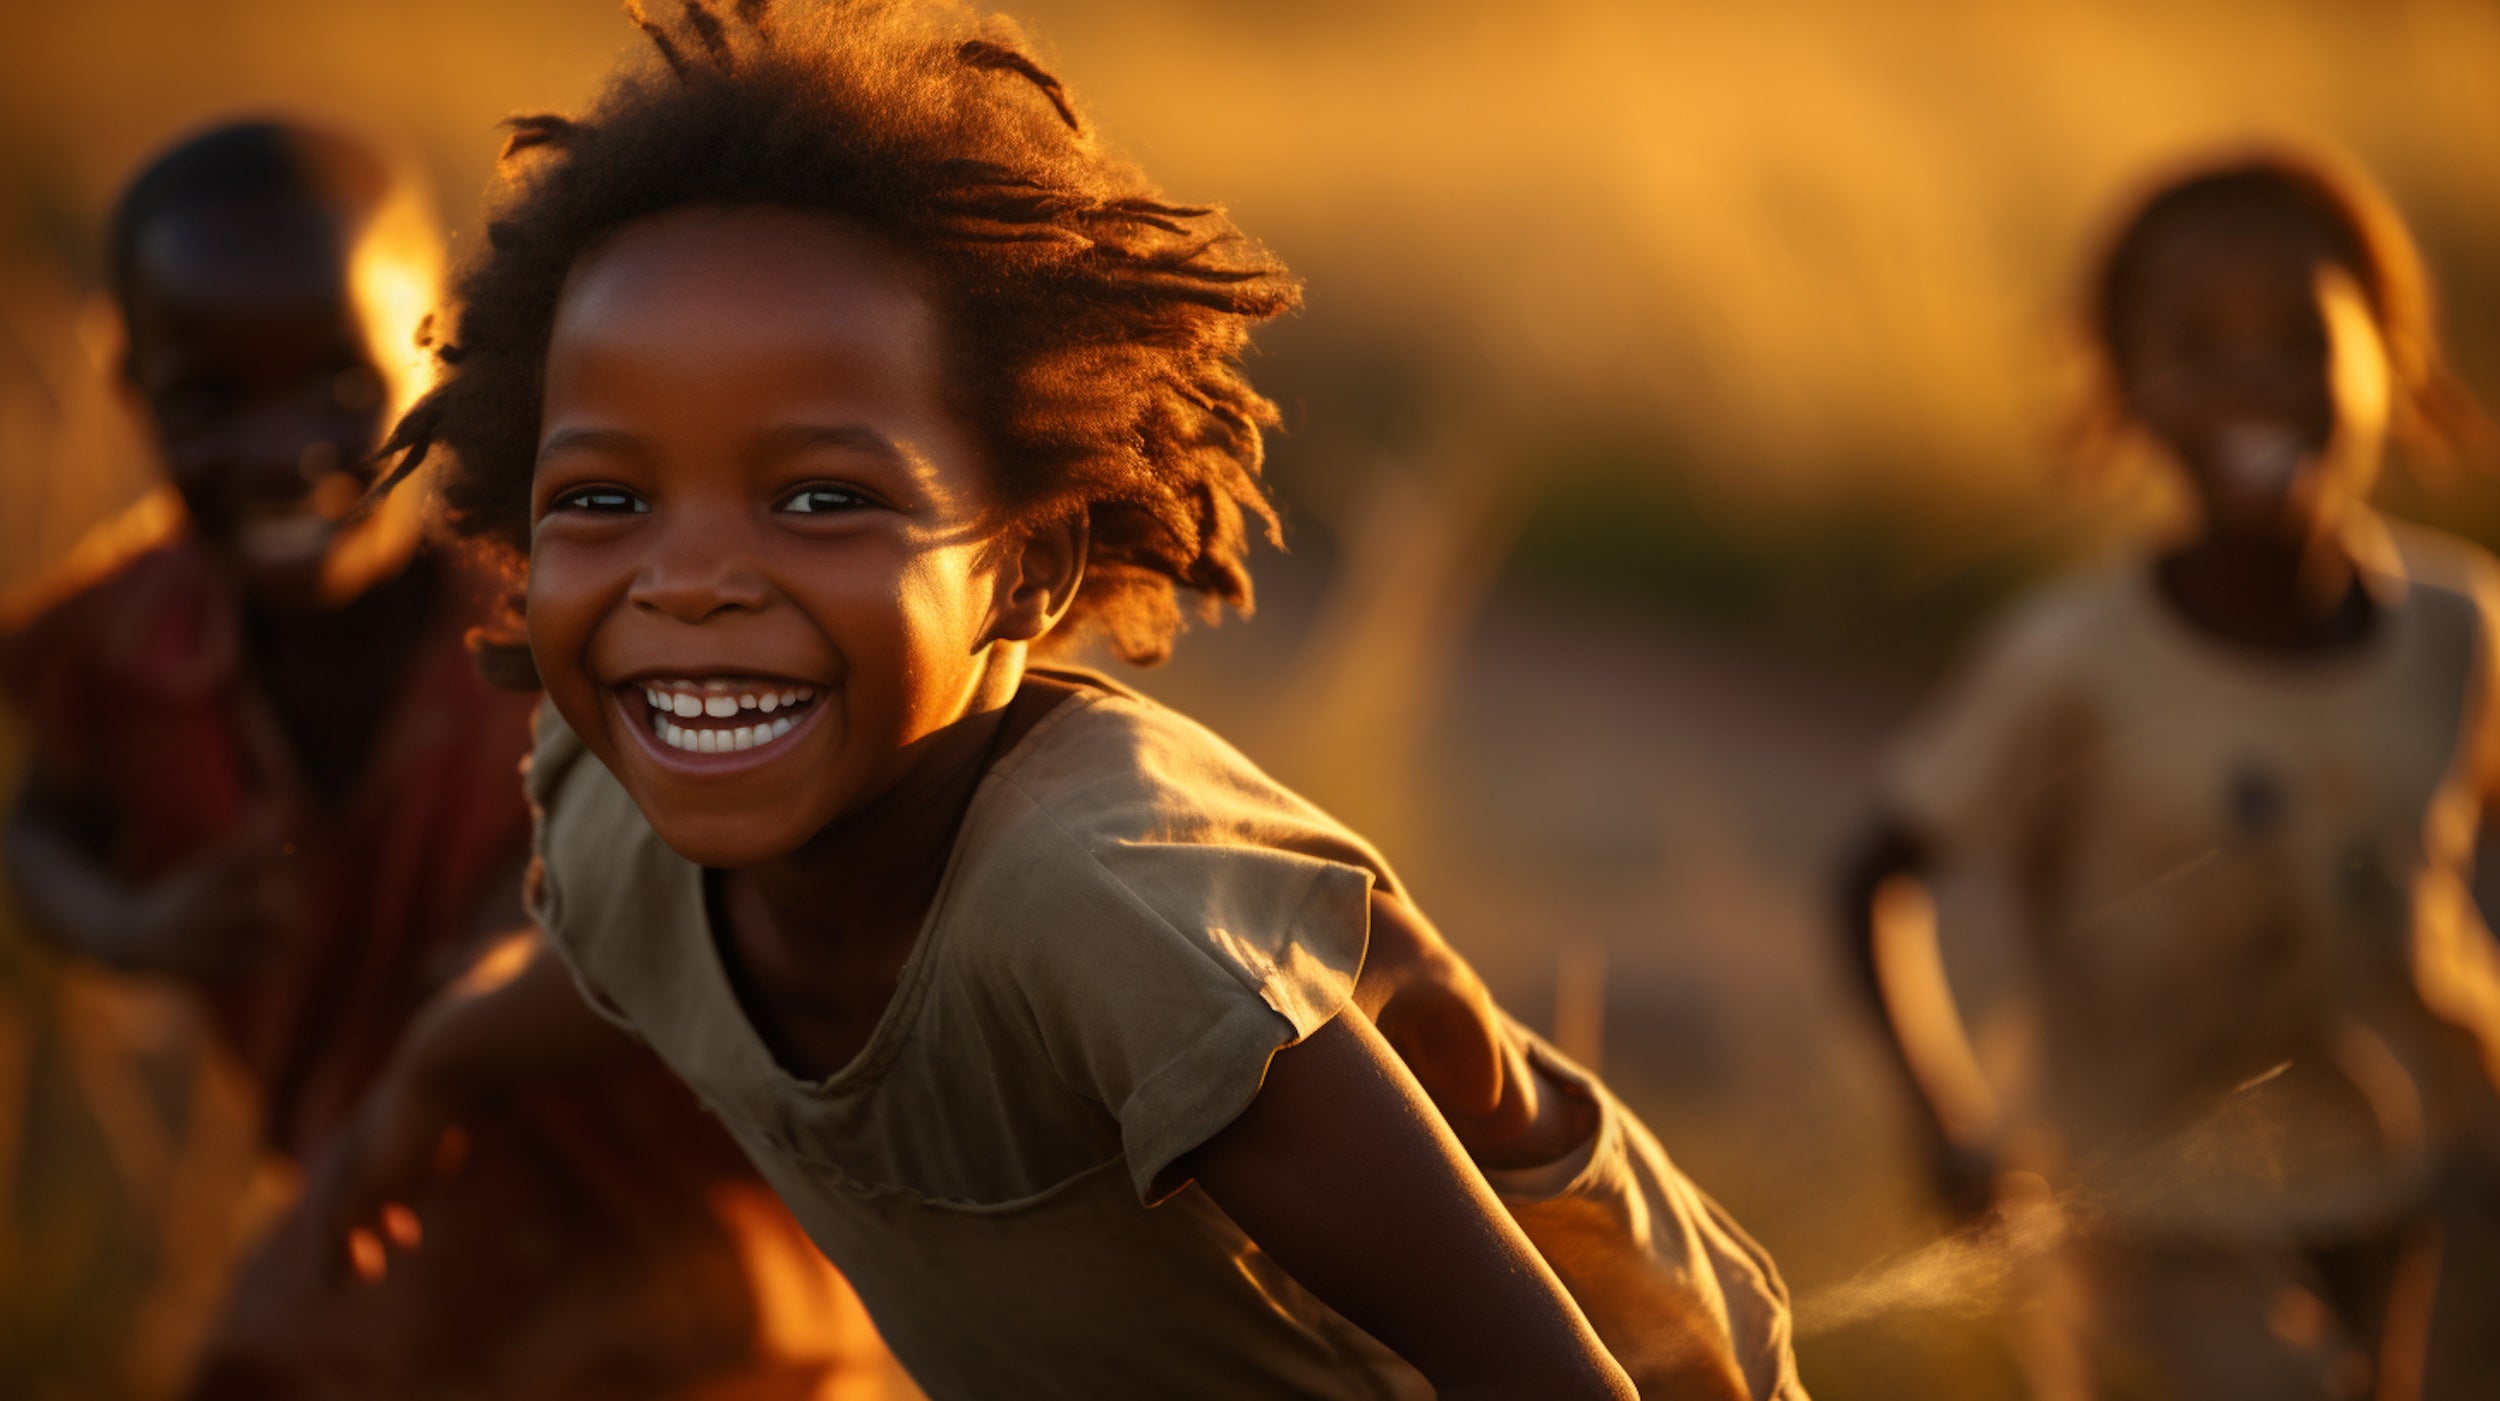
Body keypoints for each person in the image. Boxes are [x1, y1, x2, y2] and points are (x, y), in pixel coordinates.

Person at [320, 4, 1807, 1397]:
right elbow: (617, 973)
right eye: (606, 496)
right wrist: (427, 1082)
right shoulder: (612, 803)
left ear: (1027, 568)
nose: (689, 578)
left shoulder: (1101, 912)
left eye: (821, 496)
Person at [0, 119, 904, 1400]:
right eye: (211, 400)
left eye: (337, 387)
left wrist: (519, 940)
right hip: (381, 1218)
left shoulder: (560, 594)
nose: (278, 450)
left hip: (665, 1228)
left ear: (440, 366)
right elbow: (43, 831)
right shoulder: (122, 643)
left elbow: (715, 854)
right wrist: (137, 921)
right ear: (131, 389)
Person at [1836, 150, 2500, 1400]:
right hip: (2148, 1213)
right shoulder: (2070, 665)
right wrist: (1947, 1120)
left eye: (2297, 338)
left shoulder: (2457, 627)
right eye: (2194, 346)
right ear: (2125, 393)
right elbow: (1872, 878)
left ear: (2389, 361)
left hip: (2411, 1178)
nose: (2251, 377)